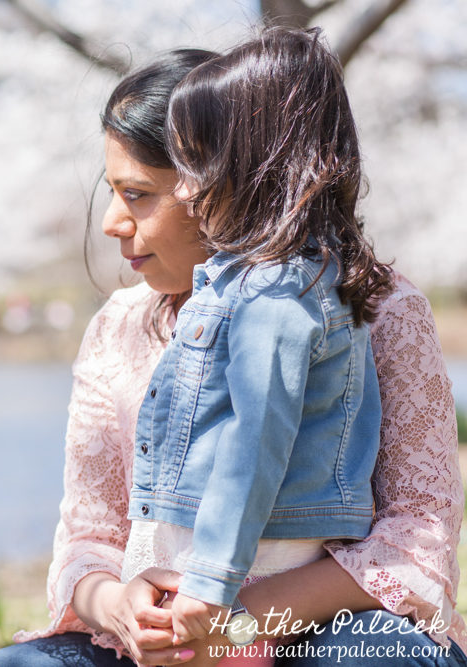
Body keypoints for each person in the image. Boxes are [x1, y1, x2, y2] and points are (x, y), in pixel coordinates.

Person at [0, 33, 466, 667]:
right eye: (112, 191)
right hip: (158, 637)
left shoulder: (375, 310)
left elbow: (418, 535)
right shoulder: (119, 326)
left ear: (231, 177)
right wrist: (120, 605)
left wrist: (235, 621)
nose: (112, 222)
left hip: (325, 630)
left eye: (139, 194)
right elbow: (89, 538)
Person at [117, 27, 390, 665]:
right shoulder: (279, 279)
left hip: (248, 570)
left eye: (195, 163)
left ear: (257, 162)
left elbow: (254, 442)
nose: (184, 189)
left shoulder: (272, 297)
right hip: (244, 564)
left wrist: (211, 586)